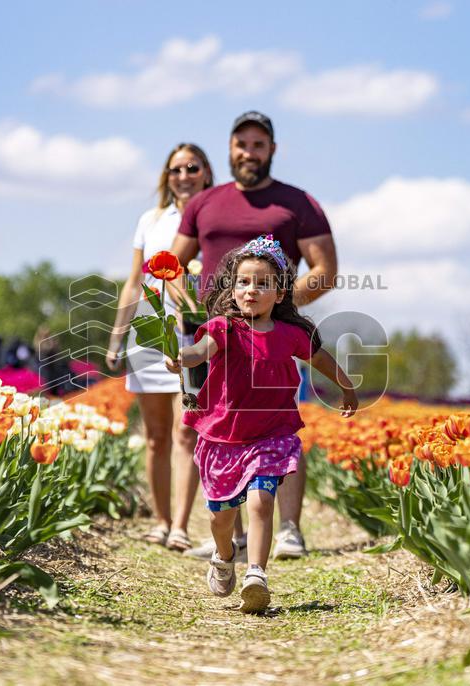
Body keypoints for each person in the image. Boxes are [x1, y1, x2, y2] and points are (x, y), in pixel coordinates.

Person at [171, 111, 339, 560]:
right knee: (220, 425)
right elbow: (171, 265)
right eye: (241, 143)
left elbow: (325, 270)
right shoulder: (204, 203)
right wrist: (189, 305)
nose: (249, 152)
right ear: (230, 149)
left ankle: (289, 530)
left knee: (279, 423)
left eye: (258, 144)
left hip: (271, 338)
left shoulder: (297, 203)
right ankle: (237, 535)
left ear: (272, 150)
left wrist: (276, 309)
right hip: (215, 336)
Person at [166, 236, 357, 612]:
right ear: (232, 288)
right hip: (223, 437)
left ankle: (256, 574)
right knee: (221, 518)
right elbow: (199, 351)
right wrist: (181, 357)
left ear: (280, 292)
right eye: (243, 282)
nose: (251, 290)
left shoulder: (291, 335)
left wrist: (347, 388)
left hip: (271, 435)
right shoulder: (223, 329)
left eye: (262, 283)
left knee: (261, 501)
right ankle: (224, 555)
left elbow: (320, 359)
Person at [106, 143, 214, 552]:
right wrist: (117, 336)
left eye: (192, 167)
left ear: (206, 173)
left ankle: (181, 526)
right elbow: (134, 282)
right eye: (176, 169)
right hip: (149, 334)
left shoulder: (215, 216)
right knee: (155, 436)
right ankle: (161, 520)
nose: (183, 176)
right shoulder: (150, 221)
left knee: (186, 430)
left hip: (195, 334)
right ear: (166, 176)